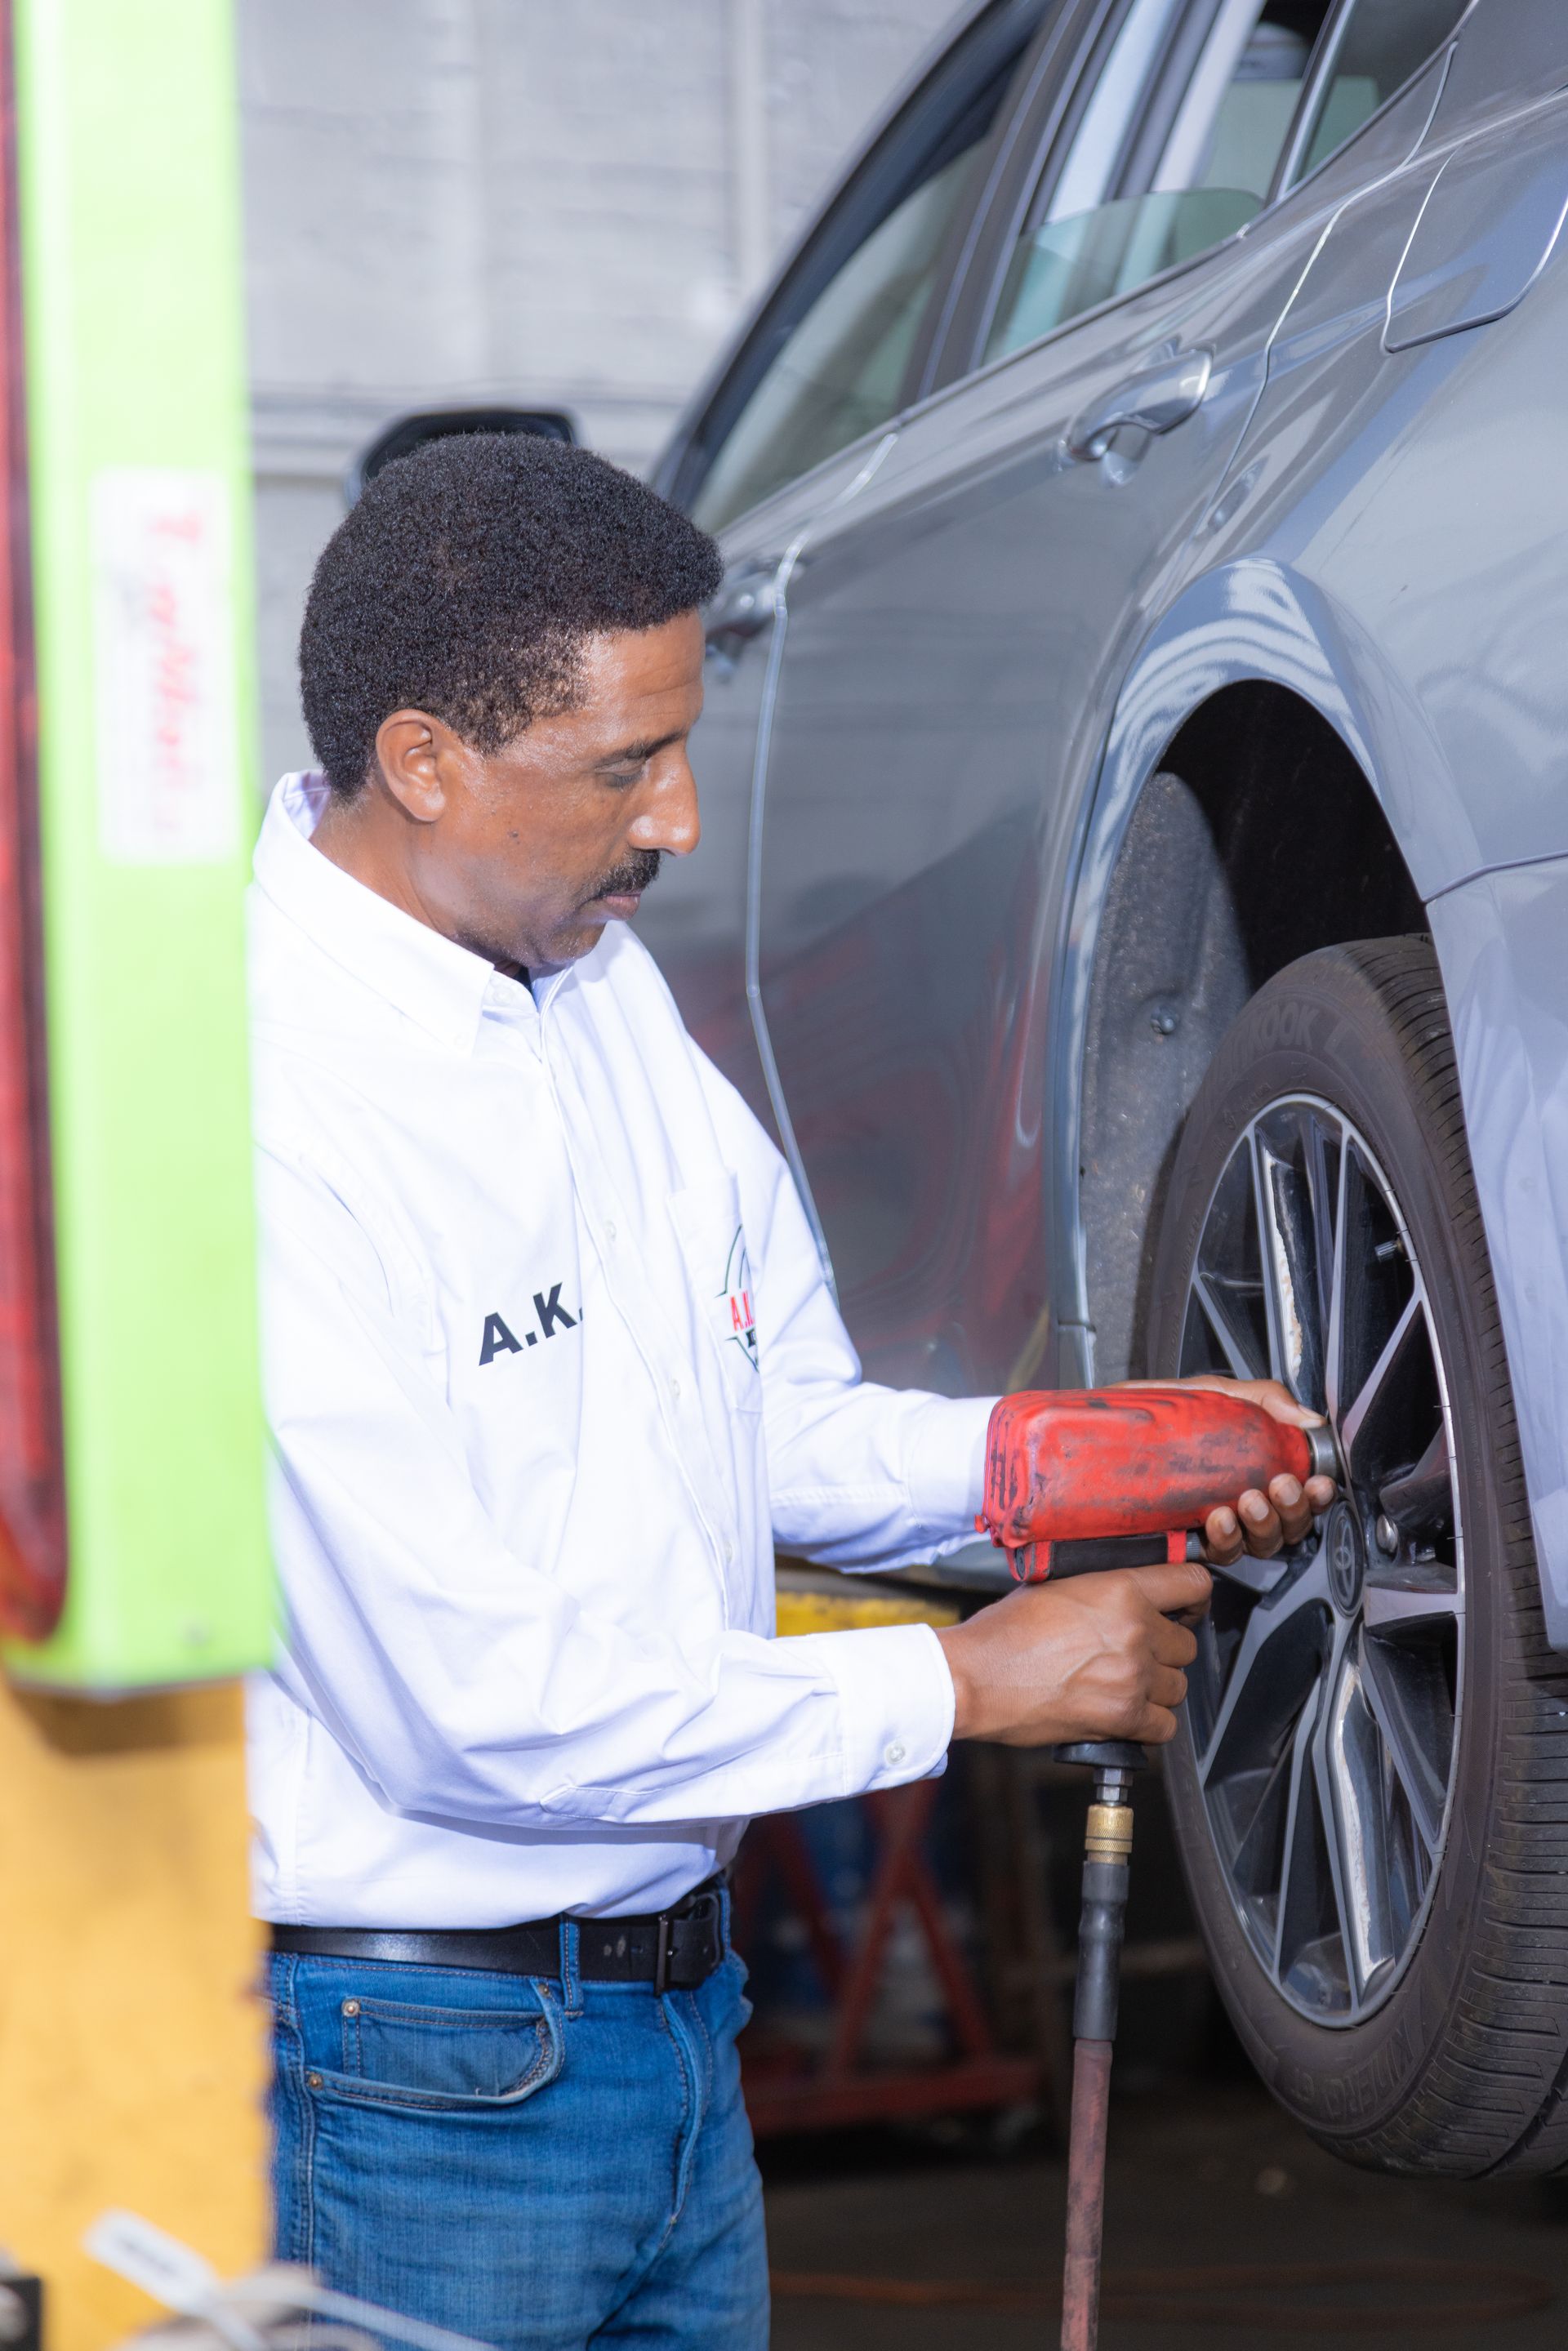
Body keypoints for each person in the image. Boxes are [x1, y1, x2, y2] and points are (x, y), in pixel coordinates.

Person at [250, 434, 1331, 2351]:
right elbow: (477, 1716)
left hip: (675, 2023)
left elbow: (772, 1423)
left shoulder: (595, 990)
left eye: (680, 746)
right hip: (420, 2075)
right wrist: (973, 1681)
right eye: (621, 768)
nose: (678, 817)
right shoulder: (269, 1108)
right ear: (423, 761)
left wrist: (1046, 1465)